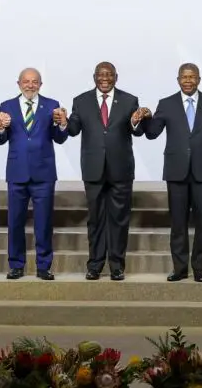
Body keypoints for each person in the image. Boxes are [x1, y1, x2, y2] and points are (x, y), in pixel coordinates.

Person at [144, 62, 202, 283]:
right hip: (176, 172)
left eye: (192, 77)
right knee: (178, 223)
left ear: (199, 79)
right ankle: (180, 268)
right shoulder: (167, 104)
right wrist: (143, 118)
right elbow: (152, 133)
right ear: (178, 79)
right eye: (184, 77)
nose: (188, 80)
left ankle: (199, 268)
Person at [65, 61, 148, 281]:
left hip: (120, 170)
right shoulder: (80, 101)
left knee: (119, 219)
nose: (104, 78)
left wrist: (136, 121)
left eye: (109, 75)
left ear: (116, 77)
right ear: (94, 77)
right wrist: (63, 122)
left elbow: (136, 132)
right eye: (100, 75)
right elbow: (73, 130)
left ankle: (117, 266)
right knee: (95, 220)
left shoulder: (130, 100)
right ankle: (94, 265)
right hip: (93, 170)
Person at [0, 67, 70, 280]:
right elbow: (0, 139)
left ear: (40, 85)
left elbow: (60, 138)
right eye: (26, 81)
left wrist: (63, 123)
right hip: (17, 172)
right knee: (15, 222)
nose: (30, 85)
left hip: (43, 174)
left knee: (44, 222)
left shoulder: (52, 106)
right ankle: (16, 265)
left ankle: (44, 266)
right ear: (18, 83)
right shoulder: (6, 106)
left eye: (34, 82)